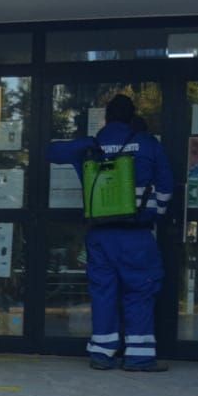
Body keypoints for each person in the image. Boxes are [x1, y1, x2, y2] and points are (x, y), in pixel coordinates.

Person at [46, 94, 174, 372]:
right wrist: (156, 215)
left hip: (100, 235)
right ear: (132, 117)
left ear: (106, 117)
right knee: (139, 292)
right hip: (136, 235)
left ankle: (102, 354)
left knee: (103, 292)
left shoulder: (91, 146)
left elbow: (51, 152)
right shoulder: (149, 144)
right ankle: (138, 357)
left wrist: (89, 142)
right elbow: (166, 186)